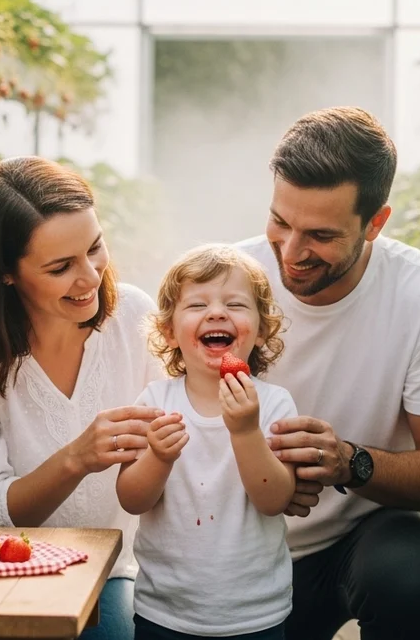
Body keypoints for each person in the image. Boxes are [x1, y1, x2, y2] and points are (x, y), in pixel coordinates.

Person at [235, 106, 420, 640]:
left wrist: (350, 462)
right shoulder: (230, 280)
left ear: (375, 224)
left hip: (358, 536)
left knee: (407, 572)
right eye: (280, 222)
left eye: (320, 234)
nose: (291, 252)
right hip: (239, 546)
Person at [0, 156, 166, 640]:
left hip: (119, 568)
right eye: (61, 267)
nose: (90, 277)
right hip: (6, 572)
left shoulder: (133, 316)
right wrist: (76, 459)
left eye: (95, 247)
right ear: (5, 273)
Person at [116, 244, 297, 640]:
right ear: (169, 331)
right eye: (197, 304)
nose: (216, 313)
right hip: (165, 610)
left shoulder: (273, 404)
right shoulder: (155, 402)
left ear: (262, 331)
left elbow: (274, 501)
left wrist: (246, 431)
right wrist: (158, 458)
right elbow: (132, 499)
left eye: (235, 304)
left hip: (255, 613)